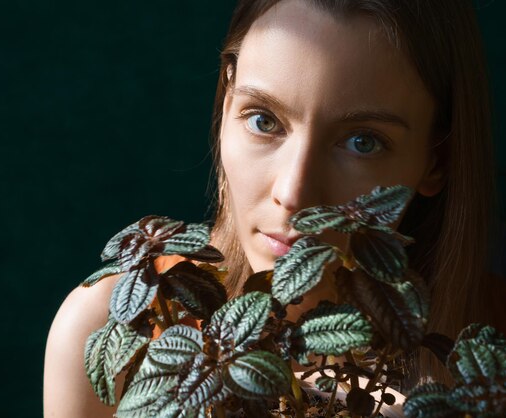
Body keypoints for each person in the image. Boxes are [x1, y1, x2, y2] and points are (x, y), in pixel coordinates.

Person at [43, 1, 504, 416]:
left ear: (436, 161)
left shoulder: (489, 357)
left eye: (364, 142)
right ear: (226, 102)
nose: (295, 192)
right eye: (264, 120)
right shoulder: (119, 325)